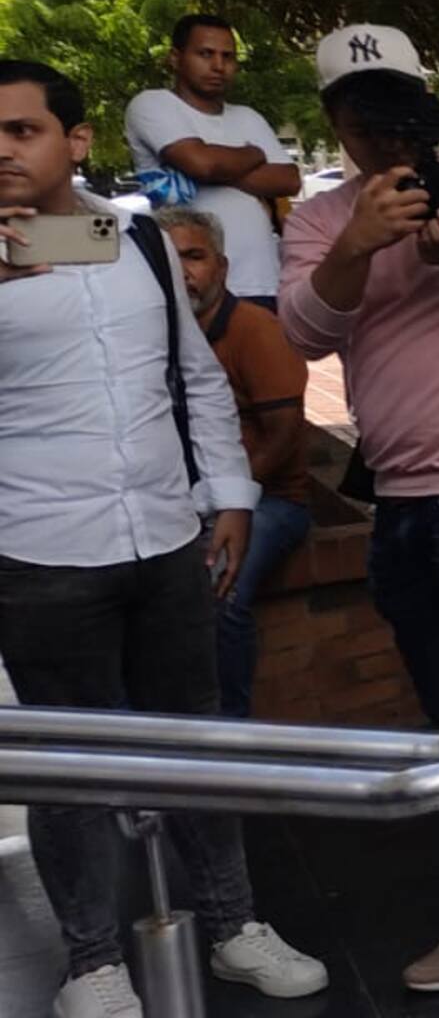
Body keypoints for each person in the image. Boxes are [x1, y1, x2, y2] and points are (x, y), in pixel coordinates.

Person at [0, 60, 328, 1018]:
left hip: (163, 533)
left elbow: (189, 376)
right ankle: (93, 960)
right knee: (71, 767)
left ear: (76, 140)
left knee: (198, 738)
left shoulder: (130, 238)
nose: (3, 151)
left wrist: (227, 494)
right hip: (37, 547)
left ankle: (233, 926)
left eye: (22, 130)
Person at [278, 24, 439, 991]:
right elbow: (301, 334)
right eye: (362, 121)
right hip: (409, 507)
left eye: (400, 116)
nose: (385, 142)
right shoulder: (320, 219)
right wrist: (356, 244)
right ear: (335, 123)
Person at [157, 207, 310, 719]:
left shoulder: (255, 329)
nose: (183, 271)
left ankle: (230, 730)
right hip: (178, 502)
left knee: (218, 590)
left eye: (194, 256)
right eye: (169, 257)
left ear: (221, 267)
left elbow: (285, 438)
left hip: (269, 501)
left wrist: (228, 502)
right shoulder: (150, 332)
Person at [125, 14, 300, 309]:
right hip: (192, 287)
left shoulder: (248, 117)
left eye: (227, 56)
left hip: (263, 281)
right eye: (205, 54)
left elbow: (289, 180)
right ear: (175, 58)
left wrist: (213, 165)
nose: (219, 65)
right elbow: (202, 164)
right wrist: (254, 154)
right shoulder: (152, 104)